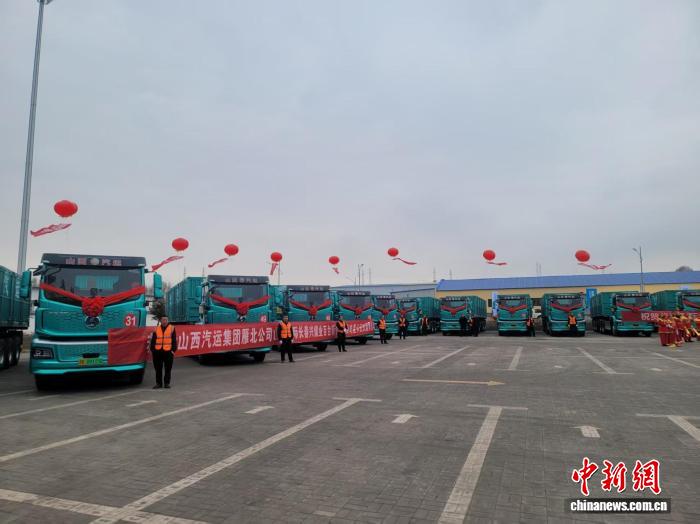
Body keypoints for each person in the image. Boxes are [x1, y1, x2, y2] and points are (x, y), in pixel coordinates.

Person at [150, 315, 177, 389]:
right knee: (158, 369)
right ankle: (158, 383)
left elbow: (174, 340)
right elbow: (153, 340)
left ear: (168, 320)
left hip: (168, 352)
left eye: (166, 320)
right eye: (163, 320)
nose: (164, 321)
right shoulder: (157, 328)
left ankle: (166, 383)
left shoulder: (172, 328)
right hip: (158, 352)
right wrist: (153, 350)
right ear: (161, 321)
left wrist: (173, 350)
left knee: (168, 368)